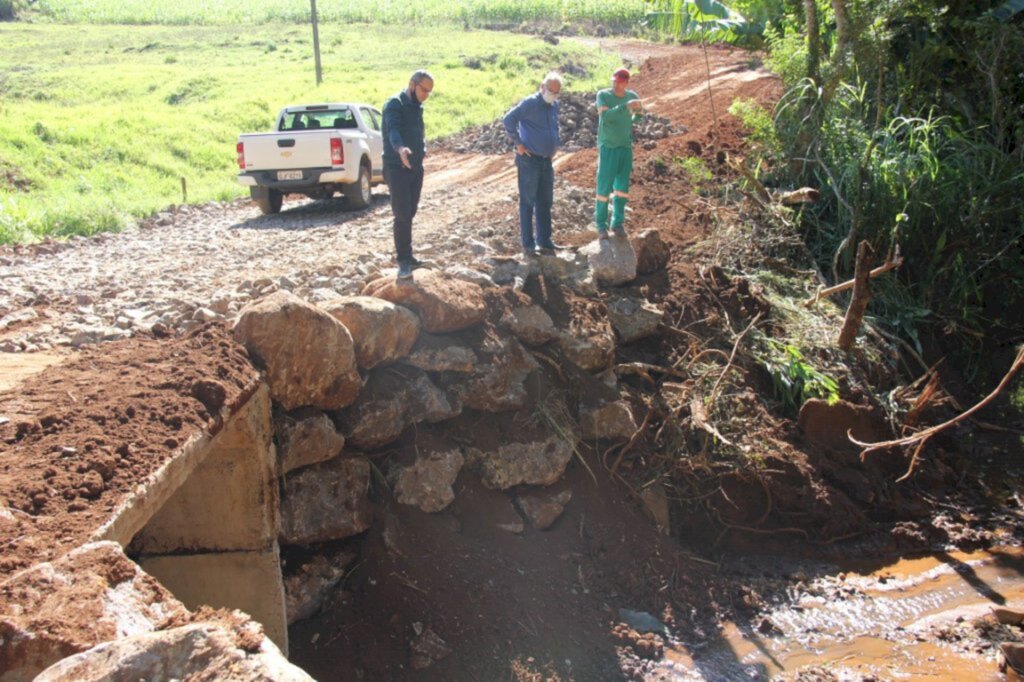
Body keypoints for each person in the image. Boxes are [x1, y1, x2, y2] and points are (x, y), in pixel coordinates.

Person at [502, 72, 563, 256]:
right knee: (527, 202)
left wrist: (555, 143)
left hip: (546, 161)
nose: (552, 94)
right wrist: (518, 144)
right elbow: (508, 120)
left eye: (556, 92)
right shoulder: (530, 103)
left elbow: (554, 126)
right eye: (550, 90)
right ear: (542, 87)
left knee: (545, 202)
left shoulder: (554, 106)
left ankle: (544, 241)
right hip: (529, 160)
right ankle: (528, 245)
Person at [382, 70, 433, 279]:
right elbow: (393, 130)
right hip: (396, 168)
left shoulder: (417, 106)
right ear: (413, 85)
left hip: (415, 167)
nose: (426, 95)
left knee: (410, 212)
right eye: (424, 90)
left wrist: (422, 147)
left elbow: (417, 131)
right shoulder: (395, 104)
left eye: (430, 92)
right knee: (402, 214)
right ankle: (403, 261)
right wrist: (400, 148)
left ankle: (408, 255)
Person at [595, 67, 643, 239]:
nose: (616, 84)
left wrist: (635, 114)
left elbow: (639, 115)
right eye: (614, 81)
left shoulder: (632, 96)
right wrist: (625, 107)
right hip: (608, 147)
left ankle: (618, 223)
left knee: (622, 187)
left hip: (625, 147)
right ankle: (601, 225)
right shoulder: (603, 95)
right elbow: (606, 117)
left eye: (620, 82)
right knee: (604, 186)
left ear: (627, 83)